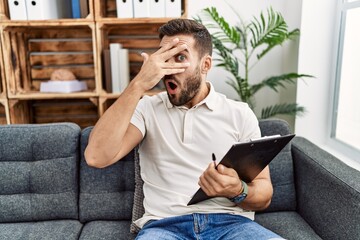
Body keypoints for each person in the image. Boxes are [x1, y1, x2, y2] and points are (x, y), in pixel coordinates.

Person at [85, 19, 284, 240]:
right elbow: (96, 157)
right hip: (164, 227)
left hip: (231, 225)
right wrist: (138, 84)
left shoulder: (239, 113)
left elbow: (264, 194)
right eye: (164, 57)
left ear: (205, 65)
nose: (169, 68)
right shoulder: (147, 108)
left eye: (180, 57)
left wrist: (236, 190)